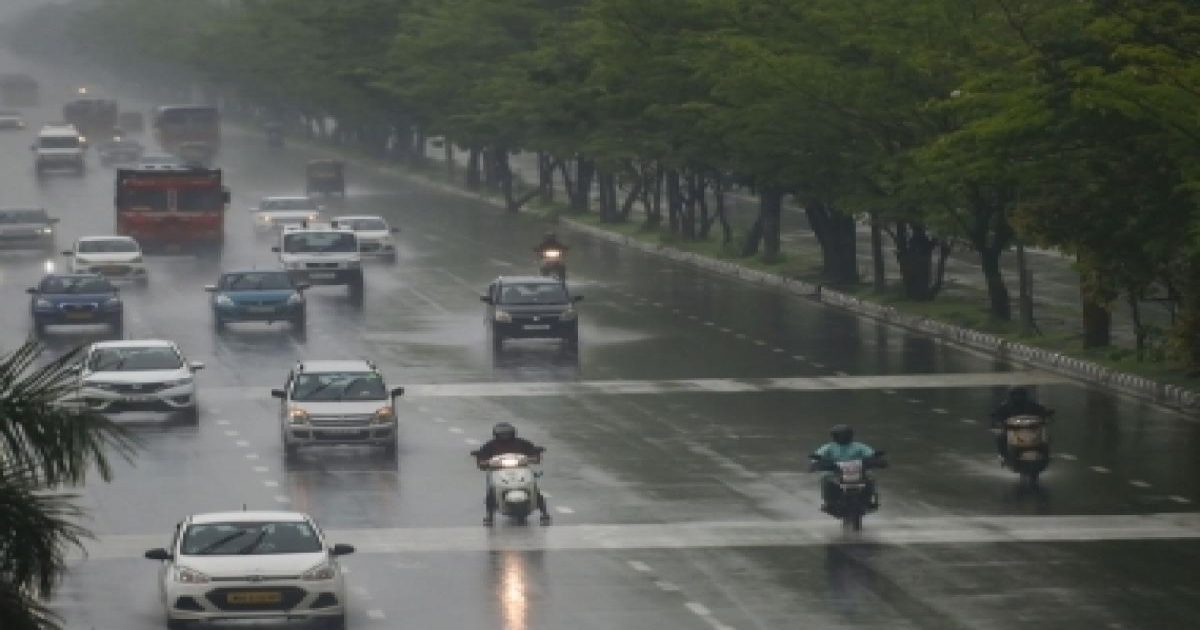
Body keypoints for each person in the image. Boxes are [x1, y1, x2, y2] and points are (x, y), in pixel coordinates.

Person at [473, 422, 550, 525]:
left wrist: (536, 454)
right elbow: (482, 456)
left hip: (521, 468)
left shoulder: (522, 443)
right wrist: (481, 459)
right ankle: (489, 515)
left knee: (535, 488)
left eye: (507, 433)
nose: (505, 436)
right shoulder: (490, 445)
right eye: (502, 434)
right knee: (491, 491)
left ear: (513, 433)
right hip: (498, 470)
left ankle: (544, 513)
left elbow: (533, 451)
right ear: (496, 434)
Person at [811, 424, 880, 513]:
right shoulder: (829, 447)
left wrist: (876, 458)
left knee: (871, 477)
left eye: (844, 436)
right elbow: (818, 455)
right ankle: (828, 501)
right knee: (825, 478)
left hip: (859, 471)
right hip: (835, 472)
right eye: (839, 436)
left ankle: (869, 499)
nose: (842, 438)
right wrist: (816, 461)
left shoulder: (859, 446)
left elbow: (870, 453)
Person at [990, 386, 1053, 460]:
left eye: (1020, 395)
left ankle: (1046, 453)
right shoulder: (1006, 407)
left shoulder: (1032, 405)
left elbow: (1042, 412)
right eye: (1016, 395)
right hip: (1013, 430)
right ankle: (1003, 455)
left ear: (1025, 396)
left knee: (1045, 435)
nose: (1018, 397)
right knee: (1001, 436)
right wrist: (998, 421)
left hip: (1031, 430)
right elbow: (998, 415)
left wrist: (1046, 416)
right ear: (1012, 396)